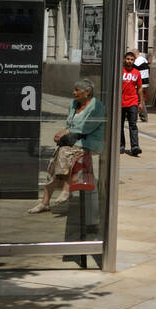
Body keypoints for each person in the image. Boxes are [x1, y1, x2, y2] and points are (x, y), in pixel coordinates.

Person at [29, 79, 104, 214]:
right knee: (53, 164)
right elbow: (69, 125)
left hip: (89, 141)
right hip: (73, 141)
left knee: (64, 153)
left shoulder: (96, 106)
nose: (73, 92)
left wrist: (66, 133)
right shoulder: (73, 104)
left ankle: (66, 189)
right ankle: (45, 202)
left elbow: (87, 127)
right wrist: (64, 133)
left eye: (77, 90)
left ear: (87, 92)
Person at [119, 50, 145, 156]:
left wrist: (140, 102)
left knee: (133, 125)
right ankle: (121, 145)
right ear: (124, 59)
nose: (129, 61)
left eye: (132, 60)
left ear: (134, 61)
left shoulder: (137, 73)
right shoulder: (120, 71)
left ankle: (135, 146)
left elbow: (139, 88)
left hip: (132, 102)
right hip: (120, 103)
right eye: (128, 59)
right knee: (119, 125)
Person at [133, 51, 150, 121]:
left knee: (139, 100)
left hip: (140, 84)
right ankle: (142, 116)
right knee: (141, 100)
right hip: (145, 83)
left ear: (135, 55)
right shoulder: (144, 60)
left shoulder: (137, 62)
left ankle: (142, 116)